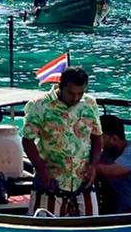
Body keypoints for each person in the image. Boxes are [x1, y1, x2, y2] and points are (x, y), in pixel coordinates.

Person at [20, 66, 103, 216]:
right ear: (60, 86)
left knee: (90, 226)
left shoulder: (90, 104)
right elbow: (27, 140)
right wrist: (42, 170)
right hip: (50, 180)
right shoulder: (39, 105)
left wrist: (93, 165)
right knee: (44, 226)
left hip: (82, 180)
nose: (75, 98)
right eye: (71, 93)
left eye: (80, 93)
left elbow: (97, 137)